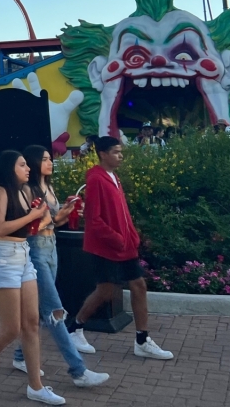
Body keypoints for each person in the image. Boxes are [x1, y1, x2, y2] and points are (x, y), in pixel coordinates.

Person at [0, 150, 66, 405]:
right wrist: (34, 216)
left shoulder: (26, 191)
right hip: (1, 257)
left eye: (27, 164)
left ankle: (36, 387)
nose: (28, 168)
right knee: (10, 328)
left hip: (22, 253)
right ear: (9, 168)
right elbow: (0, 227)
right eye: (22, 165)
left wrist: (44, 218)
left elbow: (31, 225)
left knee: (31, 323)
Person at [66, 137, 174, 360]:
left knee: (139, 285)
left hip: (123, 246)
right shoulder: (96, 179)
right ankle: (74, 328)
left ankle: (142, 340)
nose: (120, 155)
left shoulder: (113, 177)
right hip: (107, 247)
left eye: (120, 151)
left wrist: (131, 236)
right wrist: (116, 238)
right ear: (103, 154)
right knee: (105, 291)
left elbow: (122, 213)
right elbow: (93, 219)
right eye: (115, 152)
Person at [12, 146, 109, 388]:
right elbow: (32, 223)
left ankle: (20, 355)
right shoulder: (26, 189)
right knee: (55, 310)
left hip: (51, 247)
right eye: (44, 159)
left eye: (50, 159)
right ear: (34, 163)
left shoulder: (48, 187)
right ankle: (78, 370)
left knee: (41, 308)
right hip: (36, 249)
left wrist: (66, 212)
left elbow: (53, 222)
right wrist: (51, 218)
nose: (50, 163)